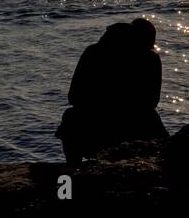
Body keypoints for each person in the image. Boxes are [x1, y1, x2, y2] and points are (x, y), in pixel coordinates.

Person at [56, 18, 168, 164]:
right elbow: (152, 102)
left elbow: (73, 97)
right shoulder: (150, 58)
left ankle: (73, 166)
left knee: (72, 116)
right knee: (153, 122)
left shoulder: (93, 51)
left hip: (90, 125)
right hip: (132, 125)